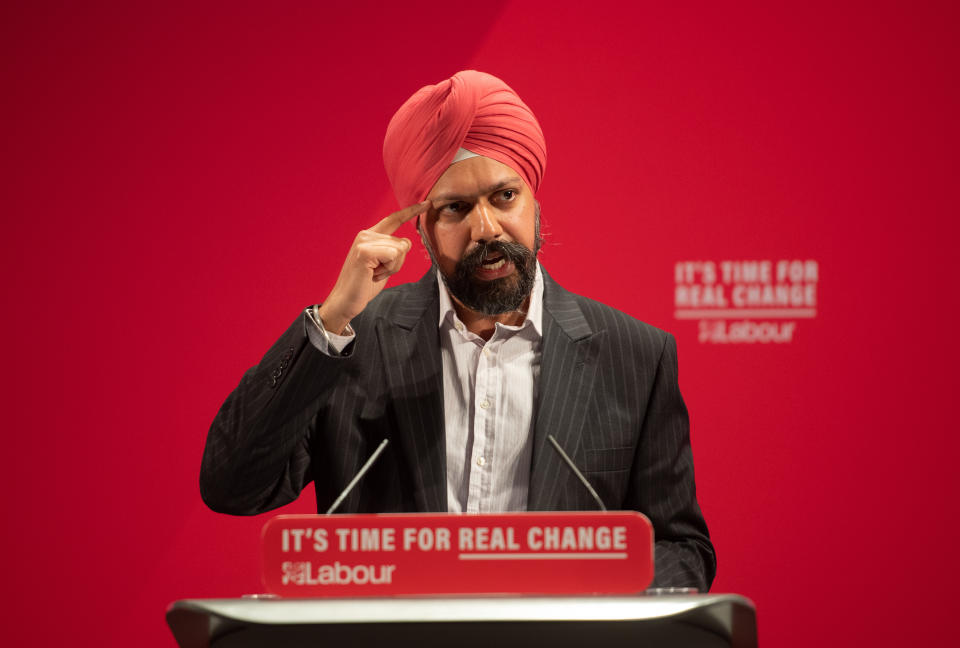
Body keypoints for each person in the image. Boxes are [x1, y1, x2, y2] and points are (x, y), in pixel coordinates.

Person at [201, 71, 715, 591]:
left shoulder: (635, 356)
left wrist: (591, 611)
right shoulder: (354, 343)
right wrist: (333, 318)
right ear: (422, 228)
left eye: (504, 197)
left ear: (534, 202)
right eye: (456, 209)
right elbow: (233, 486)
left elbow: (681, 549)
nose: (486, 229)